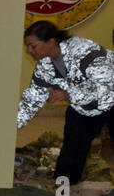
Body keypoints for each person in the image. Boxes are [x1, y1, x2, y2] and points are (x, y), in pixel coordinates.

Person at [18, 20, 114, 184]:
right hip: (84, 107)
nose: (29, 51)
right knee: (72, 146)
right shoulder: (45, 65)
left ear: (51, 42)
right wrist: (9, 125)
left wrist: (68, 94)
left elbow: (104, 88)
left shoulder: (85, 51)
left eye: (33, 46)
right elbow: (33, 98)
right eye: (27, 47)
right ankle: (64, 187)